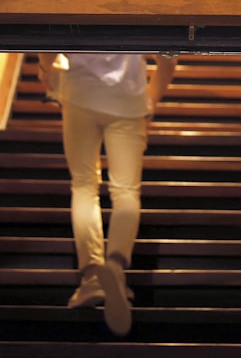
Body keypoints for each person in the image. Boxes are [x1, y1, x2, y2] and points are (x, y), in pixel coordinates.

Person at [37, 52, 177, 337]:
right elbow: (168, 60)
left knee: (84, 185)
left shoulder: (75, 5)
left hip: (79, 93)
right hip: (128, 100)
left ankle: (91, 275)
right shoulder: (147, 10)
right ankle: (115, 265)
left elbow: (50, 44)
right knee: (125, 190)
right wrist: (152, 98)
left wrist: (45, 70)